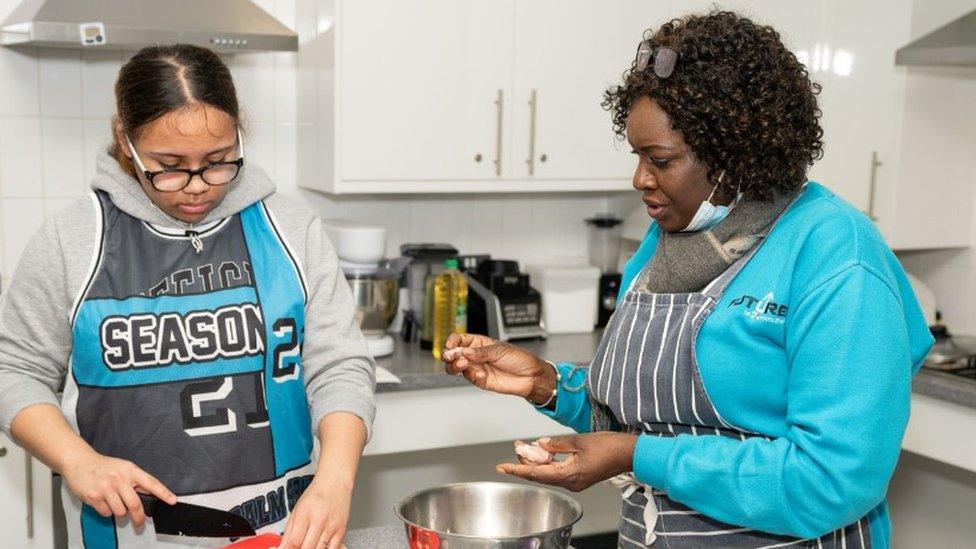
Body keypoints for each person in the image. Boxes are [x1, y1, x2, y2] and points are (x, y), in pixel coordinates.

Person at [442, 11, 933, 548]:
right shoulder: (672, 236)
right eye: (637, 156)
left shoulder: (837, 258)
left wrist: (636, 457)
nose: (639, 179)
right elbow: (644, 417)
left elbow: (827, 481)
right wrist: (550, 386)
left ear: (734, 155)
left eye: (661, 159)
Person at [0, 44, 375, 549]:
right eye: (169, 166)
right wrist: (77, 460)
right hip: (132, 533)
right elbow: (15, 370)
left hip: (284, 532)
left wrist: (335, 483)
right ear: (125, 142)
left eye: (219, 162)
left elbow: (340, 365)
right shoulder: (72, 240)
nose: (197, 188)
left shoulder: (290, 229)